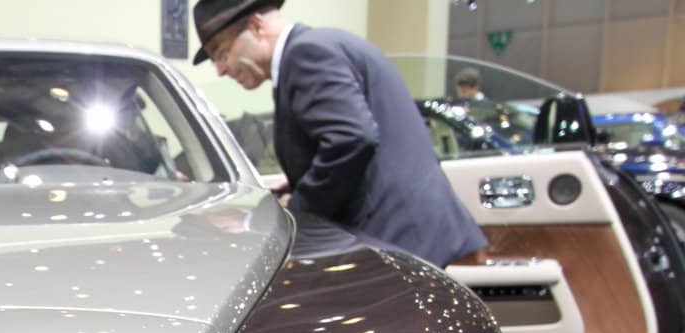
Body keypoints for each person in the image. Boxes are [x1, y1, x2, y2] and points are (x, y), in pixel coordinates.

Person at [193, 0, 486, 268]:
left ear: (256, 26)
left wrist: (296, 214)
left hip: (395, 237)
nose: (220, 70)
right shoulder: (326, 43)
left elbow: (351, 139)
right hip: (412, 231)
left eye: (221, 52)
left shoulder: (306, 54)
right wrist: (300, 179)